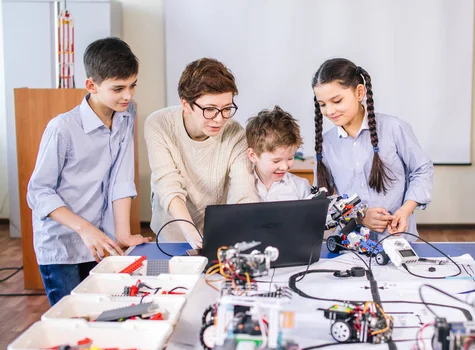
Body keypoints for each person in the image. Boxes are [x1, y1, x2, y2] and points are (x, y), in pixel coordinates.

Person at [27, 37, 148, 305]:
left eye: (132, 86)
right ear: (91, 85)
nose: (127, 95)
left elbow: (121, 177)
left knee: (101, 313)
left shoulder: (127, 114)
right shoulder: (62, 128)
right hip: (62, 245)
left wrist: (123, 232)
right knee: (73, 317)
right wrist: (84, 229)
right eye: (118, 88)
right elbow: (38, 192)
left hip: (100, 241)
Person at [312, 58, 433, 238]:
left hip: (398, 240)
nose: (329, 111)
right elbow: (323, 200)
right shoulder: (326, 144)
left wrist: (405, 210)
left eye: (336, 101)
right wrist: (359, 217)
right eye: (322, 104)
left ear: (359, 92)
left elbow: (422, 170)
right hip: (350, 247)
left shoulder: (393, 128)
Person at [145, 58, 258, 248]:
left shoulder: (235, 134)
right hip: (173, 234)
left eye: (227, 109)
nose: (219, 119)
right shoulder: (159, 124)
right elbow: (167, 184)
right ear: (186, 104)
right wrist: (190, 231)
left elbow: (243, 191)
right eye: (210, 109)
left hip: (215, 234)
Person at [246, 106, 311, 201]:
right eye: (276, 161)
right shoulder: (240, 188)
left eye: (290, 158)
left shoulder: (301, 187)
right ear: (252, 155)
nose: (284, 167)